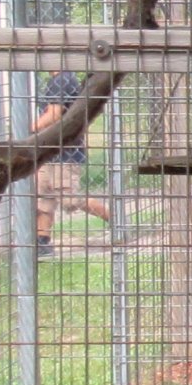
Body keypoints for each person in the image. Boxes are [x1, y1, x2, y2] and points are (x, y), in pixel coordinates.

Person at [32, 71, 114, 250]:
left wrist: (30, 128)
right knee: (44, 194)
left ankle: (116, 220)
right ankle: (42, 241)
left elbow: (54, 114)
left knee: (70, 198)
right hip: (49, 150)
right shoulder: (56, 80)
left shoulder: (62, 79)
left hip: (65, 151)